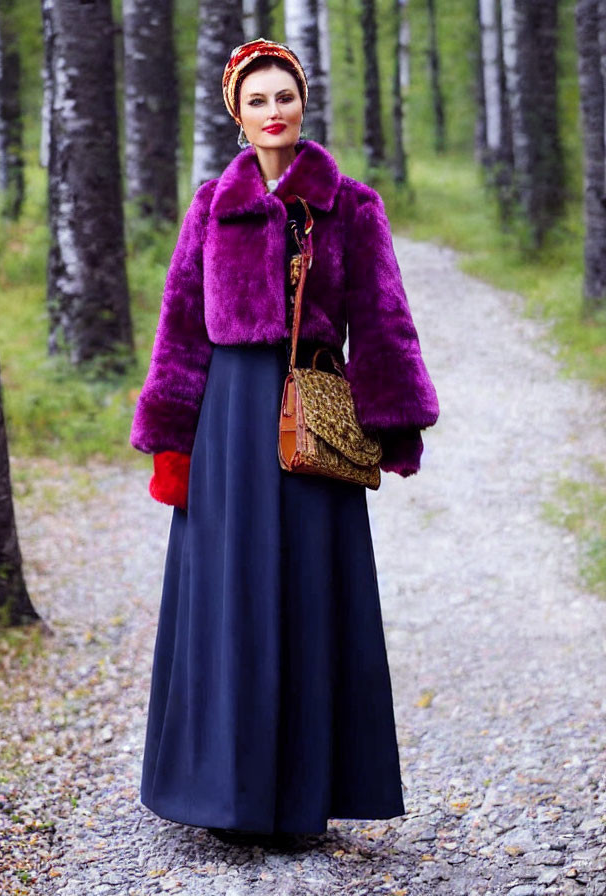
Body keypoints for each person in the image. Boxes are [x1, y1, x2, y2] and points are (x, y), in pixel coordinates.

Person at [130, 38, 439, 839]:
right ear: (238, 114)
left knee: (308, 595)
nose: (275, 112)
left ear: (305, 103)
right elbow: (180, 329)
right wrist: (171, 441)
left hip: (311, 413)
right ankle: (225, 797)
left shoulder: (350, 205)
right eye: (258, 100)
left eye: (286, 97)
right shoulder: (211, 204)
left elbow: (383, 321)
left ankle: (302, 799)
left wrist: (396, 421)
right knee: (230, 599)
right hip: (228, 420)